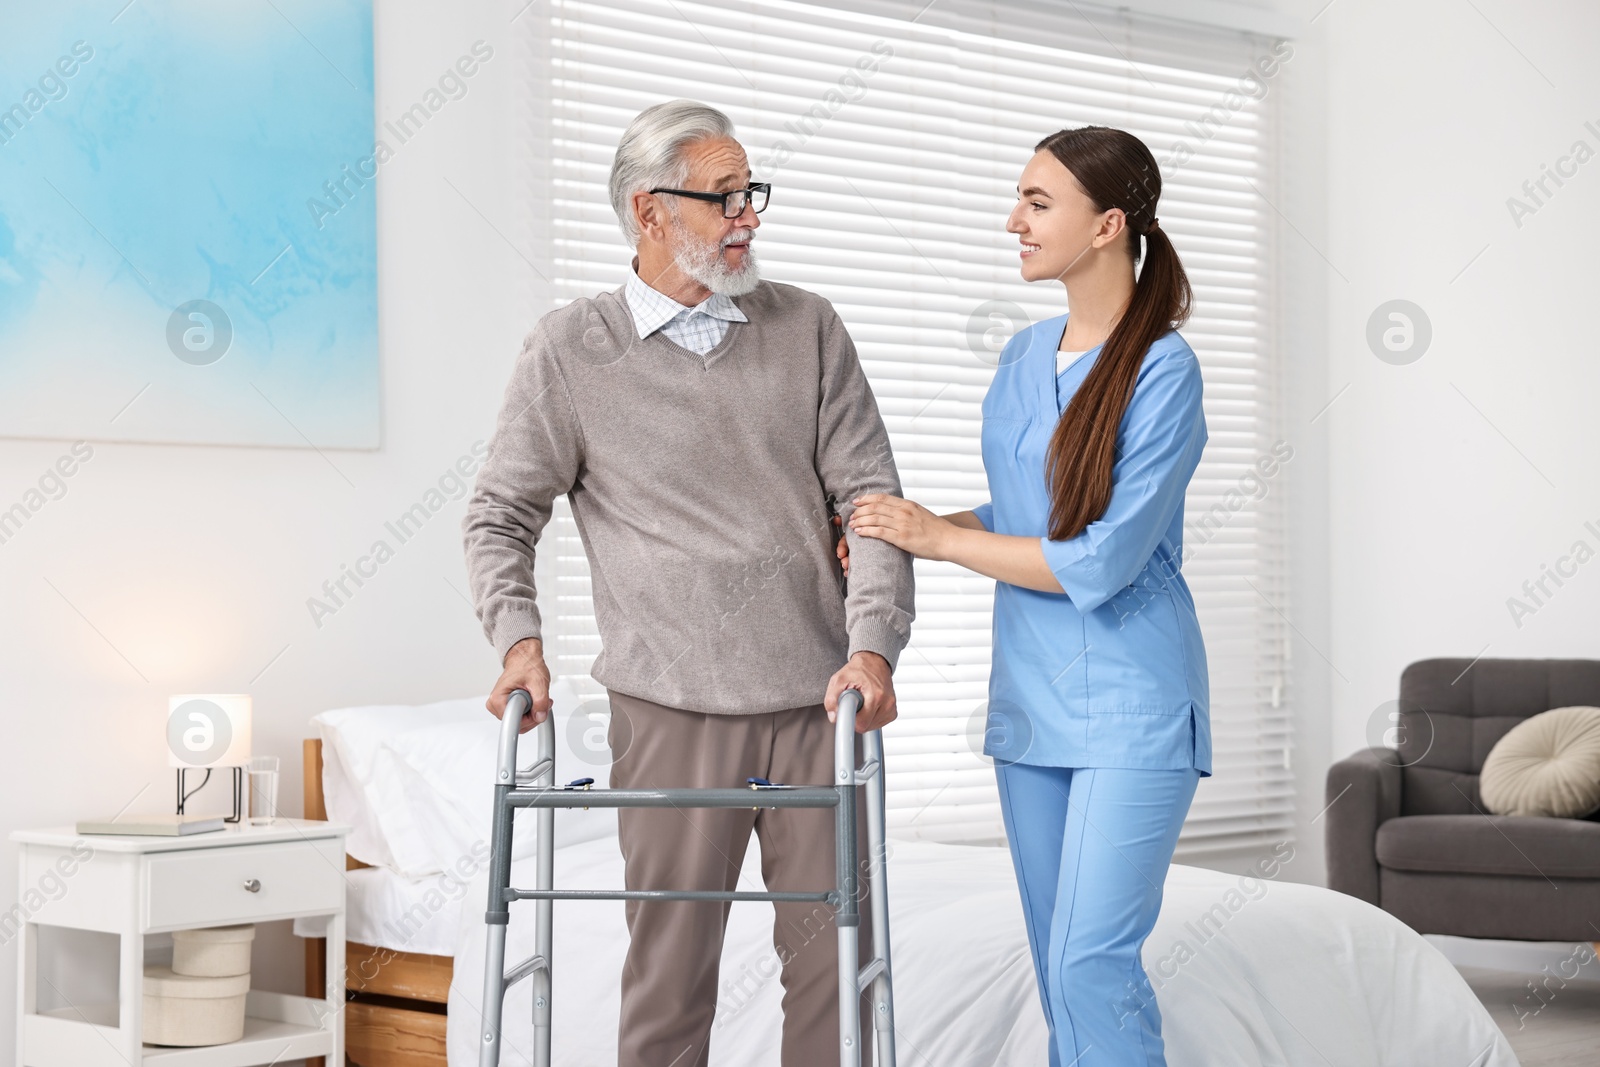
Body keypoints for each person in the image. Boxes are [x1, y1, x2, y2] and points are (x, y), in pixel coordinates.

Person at [461, 99, 914, 1067]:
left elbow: (874, 503)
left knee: (837, 978)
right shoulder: (569, 350)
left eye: (751, 193)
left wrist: (873, 646)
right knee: (669, 989)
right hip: (668, 709)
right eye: (723, 197)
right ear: (649, 211)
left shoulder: (809, 327)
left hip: (815, 701)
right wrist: (519, 640)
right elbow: (500, 513)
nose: (747, 215)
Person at [846, 126, 1210, 1066]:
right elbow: (1023, 514)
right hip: (1032, 700)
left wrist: (940, 539)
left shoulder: (1164, 368)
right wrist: (919, 521)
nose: (1014, 220)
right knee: (1057, 965)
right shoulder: (1021, 354)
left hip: (1132, 702)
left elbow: (1101, 558)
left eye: (1038, 203)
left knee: (1093, 958)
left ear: (1108, 225)